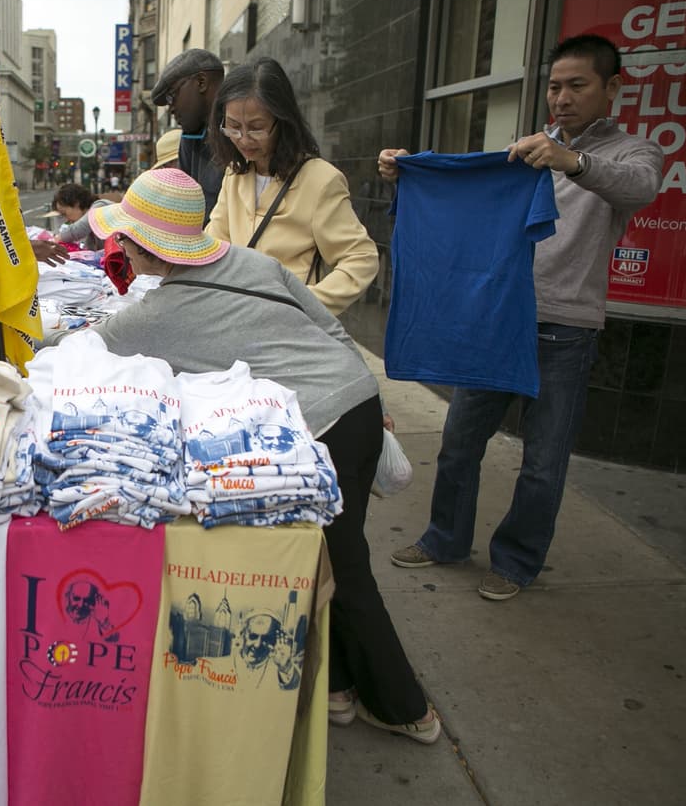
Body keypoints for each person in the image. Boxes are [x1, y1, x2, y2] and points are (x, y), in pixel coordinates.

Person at [48, 168, 441, 744]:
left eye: (127, 240)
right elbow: (331, 330)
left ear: (152, 247)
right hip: (354, 404)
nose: (120, 247)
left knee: (344, 564)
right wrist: (370, 392)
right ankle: (339, 689)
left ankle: (407, 708)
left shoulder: (159, 316)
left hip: (322, 424)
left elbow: (72, 351)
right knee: (326, 557)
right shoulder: (252, 262)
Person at [379, 34, 664, 601]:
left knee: (543, 459)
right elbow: (472, 193)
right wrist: (409, 172)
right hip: (498, 321)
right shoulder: (526, 151)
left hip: (567, 328)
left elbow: (642, 187)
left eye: (577, 86)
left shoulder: (633, 152)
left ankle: (517, 560)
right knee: (460, 439)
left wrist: (573, 162)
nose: (562, 98)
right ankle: (445, 538)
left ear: (611, 87)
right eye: (555, 86)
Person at [205, 57, 379, 316]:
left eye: (256, 128)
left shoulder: (320, 180)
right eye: (233, 127)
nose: (243, 139)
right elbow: (213, 244)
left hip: (291, 328)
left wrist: (303, 303)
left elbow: (361, 258)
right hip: (239, 319)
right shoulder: (236, 174)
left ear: (282, 121)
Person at [150, 48, 225, 220]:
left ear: (201, 82)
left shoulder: (239, 130)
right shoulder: (190, 137)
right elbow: (185, 210)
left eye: (172, 96)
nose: (171, 109)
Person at [52, 183, 109, 250]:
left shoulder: (101, 206)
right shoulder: (89, 232)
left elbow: (78, 229)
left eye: (64, 213)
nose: (67, 219)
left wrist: (57, 239)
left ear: (76, 203)